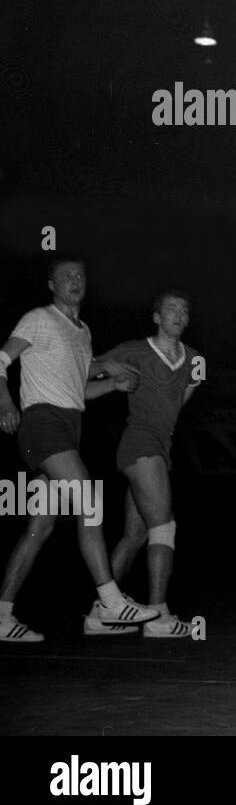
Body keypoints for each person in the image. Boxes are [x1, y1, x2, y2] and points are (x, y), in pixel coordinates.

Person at [0, 257, 157, 642]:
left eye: (80, 276)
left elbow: (79, 389)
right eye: (65, 276)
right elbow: (0, 359)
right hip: (41, 424)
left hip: (68, 426)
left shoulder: (83, 332)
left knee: (40, 527)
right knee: (87, 497)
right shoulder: (39, 318)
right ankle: (108, 598)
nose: (74, 281)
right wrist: (4, 402)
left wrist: (112, 386)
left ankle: (1, 617)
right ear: (52, 285)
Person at [98, 289, 202, 639]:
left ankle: (100, 613)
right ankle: (158, 615)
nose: (178, 315)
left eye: (184, 310)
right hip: (140, 444)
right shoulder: (134, 350)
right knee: (164, 526)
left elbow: (176, 406)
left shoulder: (195, 360)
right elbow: (86, 365)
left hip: (160, 446)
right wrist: (107, 372)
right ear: (156, 317)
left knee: (136, 533)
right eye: (171, 309)